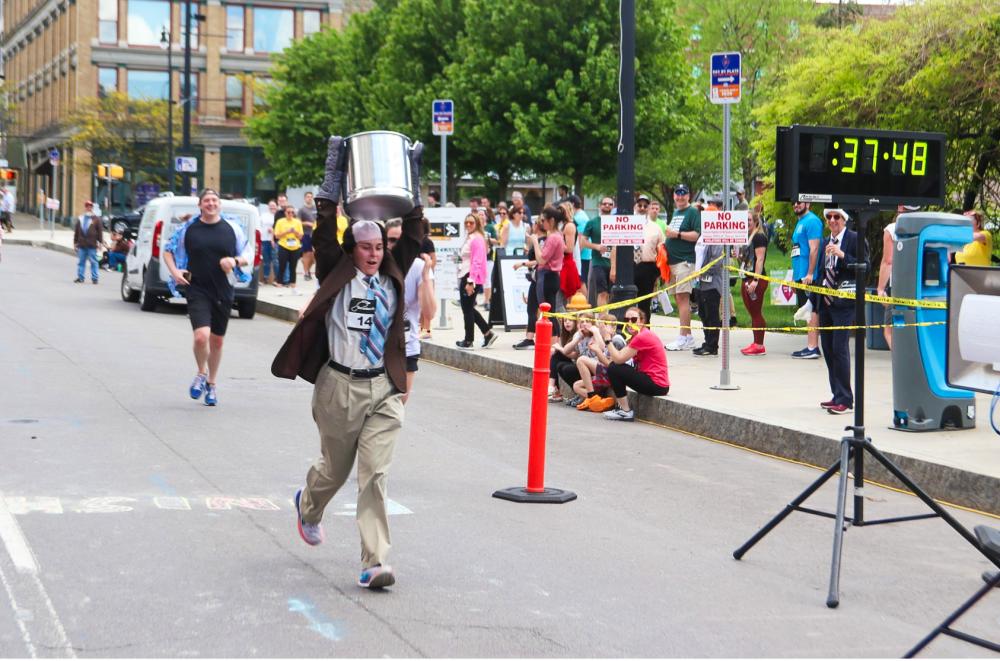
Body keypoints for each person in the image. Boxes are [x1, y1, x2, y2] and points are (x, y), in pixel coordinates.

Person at [273, 135, 425, 590]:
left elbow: (416, 230)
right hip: (339, 386)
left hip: (383, 387)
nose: (374, 254)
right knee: (333, 471)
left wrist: (412, 172)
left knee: (375, 475)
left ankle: (374, 562)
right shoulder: (335, 273)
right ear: (351, 249)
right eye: (365, 247)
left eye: (378, 246)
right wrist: (334, 166)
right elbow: (323, 227)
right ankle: (308, 507)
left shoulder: (395, 272)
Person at [163, 188, 252, 407]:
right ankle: (201, 373)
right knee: (201, 337)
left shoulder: (232, 228)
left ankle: (212, 384)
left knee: (217, 340)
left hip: (223, 289)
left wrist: (235, 261)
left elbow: (249, 253)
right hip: (197, 288)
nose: (211, 203)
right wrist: (175, 272)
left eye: (214, 200)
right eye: (207, 201)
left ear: (219, 204)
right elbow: (167, 249)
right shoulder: (189, 229)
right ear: (200, 205)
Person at [817, 208, 862, 415]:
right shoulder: (826, 241)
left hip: (844, 302)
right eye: (829, 217)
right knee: (827, 347)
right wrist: (812, 302)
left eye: (837, 217)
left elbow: (864, 266)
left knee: (839, 348)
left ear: (844, 220)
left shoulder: (853, 238)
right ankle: (836, 394)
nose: (833, 221)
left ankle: (845, 399)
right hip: (825, 302)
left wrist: (842, 255)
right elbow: (821, 272)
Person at [386, 219, 434, 402]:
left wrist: (426, 278)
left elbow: (429, 313)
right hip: (376, 349)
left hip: (406, 347)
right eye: (391, 240)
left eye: (400, 240)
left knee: (397, 405)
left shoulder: (418, 267)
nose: (396, 246)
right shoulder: (375, 265)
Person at [603, 307, 669, 422]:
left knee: (614, 368)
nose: (629, 323)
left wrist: (608, 339)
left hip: (656, 384)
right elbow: (619, 356)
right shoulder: (639, 335)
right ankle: (623, 409)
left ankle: (626, 411)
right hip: (655, 382)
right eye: (626, 320)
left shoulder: (642, 336)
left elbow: (618, 359)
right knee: (614, 367)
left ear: (641, 321)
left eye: (633, 319)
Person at [610, 197, 664, 321]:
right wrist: (613, 268)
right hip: (629, 266)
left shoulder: (655, 228)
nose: (642, 208)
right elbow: (615, 246)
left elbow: (661, 251)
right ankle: (625, 329)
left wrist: (659, 273)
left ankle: (645, 330)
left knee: (645, 302)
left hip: (647, 267)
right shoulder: (626, 224)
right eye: (639, 205)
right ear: (635, 206)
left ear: (649, 208)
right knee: (626, 301)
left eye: (645, 206)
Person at [663, 184, 700, 350]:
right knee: (679, 299)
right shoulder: (676, 212)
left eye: (683, 194)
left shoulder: (692, 212)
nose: (680, 197)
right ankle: (688, 336)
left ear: (688, 196)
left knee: (683, 299)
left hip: (685, 261)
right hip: (672, 262)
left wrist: (676, 235)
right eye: (677, 194)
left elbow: (697, 235)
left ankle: (683, 337)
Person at [876, 204, 919, 349]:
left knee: (890, 329)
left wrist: (881, 289)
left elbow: (888, 261)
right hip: (920, 286)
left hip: (899, 286)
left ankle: (901, 363)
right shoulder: (926, 226)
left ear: (900, 208)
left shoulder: (891, 229)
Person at [456, 214, 498, 349]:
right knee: (468, 308)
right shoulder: (471, 238)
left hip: (470, 276)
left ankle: (469, 340)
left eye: (471, 223)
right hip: (467, 275)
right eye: (466, 222)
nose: (468, 225)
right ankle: (487, 333)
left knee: (467, 309)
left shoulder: (477, 239)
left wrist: (470, 282)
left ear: (477, 224)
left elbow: (477, 261)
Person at [789, 201, 824, 359]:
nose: (796, 205)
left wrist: (810, 273)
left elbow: (814, 248)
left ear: (808, 203)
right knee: (806, 308)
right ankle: (810, 345)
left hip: (809, 276)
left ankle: (813, 347)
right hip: (800, 274)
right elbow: (797, 251)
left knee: (811, 310)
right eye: (794, 203)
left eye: (799, 202)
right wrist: (794, 277)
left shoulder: (812, 221)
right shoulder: (800, 222)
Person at [512, 220, 548, 350]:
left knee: (541, 309)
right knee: (531, 308)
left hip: (541, 277)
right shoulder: (537, 239)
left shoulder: (543, 240)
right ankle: (529, 337)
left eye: (534, 224)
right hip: (536, 277)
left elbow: (540, 260)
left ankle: (538, 338)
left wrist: (522, 264)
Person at [739, 211, 769, 356]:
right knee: (753, 312)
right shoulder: (748, 237)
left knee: (756, 312)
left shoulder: (759, 237)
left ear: (756, 221)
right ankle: (756, 342)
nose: (746, 222)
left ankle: (759, 345)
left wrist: (755, 281)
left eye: (749, 220)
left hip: (756, 280)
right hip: (746, 278)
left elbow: (760, 259)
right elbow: (747, 259)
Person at [692, 242, 725, 356]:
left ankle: (712, 346)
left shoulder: (715, 238)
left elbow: (716, 261)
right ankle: (707, 342)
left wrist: (702, 272)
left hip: (712, 284)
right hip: (700, 283)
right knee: (703, 314)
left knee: (712, 315)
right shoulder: (702, 236)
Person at [581, 196, 614, 307]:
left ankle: (608, 320)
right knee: (602, 292)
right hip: (598, 262)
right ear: (599, 206)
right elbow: (583, 242)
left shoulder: (617, 223)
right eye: (605, 203)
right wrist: (597, 247)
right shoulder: (592, 222)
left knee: (611, 293)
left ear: (613, 207)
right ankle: (602, 318)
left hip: (614, 263)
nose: (607, 206)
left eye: (610, 204)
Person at [547, 315, 581, 403]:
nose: (567, 322)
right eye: (565, 320)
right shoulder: (565, 334)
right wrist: (556, 349)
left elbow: (575, 355)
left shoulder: (578, 335)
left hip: (581, 363)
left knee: (559, 357)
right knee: (556, 360)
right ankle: (553, 389)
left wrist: (560, 349)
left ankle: (552, 387)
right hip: (575, 362)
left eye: (570, 320)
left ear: (576, 323)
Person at [558, 199, 584, 304]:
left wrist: (555, 242)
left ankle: (568, 321)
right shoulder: (563, 225)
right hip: (563, 264)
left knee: (563, 302)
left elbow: (569, 249)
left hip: (566, 265)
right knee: (563, 302)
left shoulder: (569, 226)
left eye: (560, 211)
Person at [275, 205, 304, 292]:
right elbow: (277, 235)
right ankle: (279, 287)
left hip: (295, 247)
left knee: (293, 267)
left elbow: (301, 236)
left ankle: (293, 287)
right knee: (282, 267)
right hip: (284, 246)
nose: (290, 214)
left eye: (292, 212)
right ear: (285, 213)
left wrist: (295, 232)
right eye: (288, 212)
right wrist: (287, 232)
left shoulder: (297, 222)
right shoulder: (280, 222)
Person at [73, 200, 103, 284]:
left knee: (93, 261)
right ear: (85, 207)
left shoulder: (96, 219)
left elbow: (100, 232)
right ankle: (80, 277)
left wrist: (100, 243)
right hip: (82, 244)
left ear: (92, 208)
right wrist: (75, 243)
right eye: (87, 206)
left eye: (90, 206)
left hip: (92, 244)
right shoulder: (81, 218)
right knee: (81, 262)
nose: (89, 208)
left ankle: (95, 278)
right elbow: (77, 231)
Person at [570, 195, 592, 282]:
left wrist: (576, 255)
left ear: (572, 204)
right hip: (585, 253)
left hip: (583, 255)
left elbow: (580, 237)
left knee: (581, 281)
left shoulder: (578, 218)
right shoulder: (583, 215)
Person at [300, 191, 318, 281]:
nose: (309, 198)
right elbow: (297, 222)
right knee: (307, 254)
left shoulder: (316, 208)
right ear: (305, 198)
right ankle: (306, 273)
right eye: (307, 196)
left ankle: (307, 269)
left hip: (316, 234)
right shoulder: (302, 209)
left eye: (311, 197)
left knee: (314, 255)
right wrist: (306, 223)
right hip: (306, 234)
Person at [260, 200, 279, 285]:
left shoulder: (278, 215)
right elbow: (259, 227)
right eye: (271, 205)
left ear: (276, 206)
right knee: (266, 260)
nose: (272, 207)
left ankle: (277, 278)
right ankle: (265, 278)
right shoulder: (263, 216)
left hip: (275, 241)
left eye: (274, 205)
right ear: (268, 206)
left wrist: (273, 230)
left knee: (275, 260)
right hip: (264, 240)